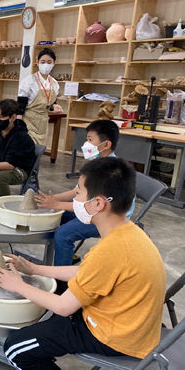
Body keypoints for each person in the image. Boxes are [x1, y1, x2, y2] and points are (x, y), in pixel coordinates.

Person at [0, 157, 165, 370]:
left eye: (79, 192)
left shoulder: (110, 251)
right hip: (130, 322)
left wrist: (19, 285)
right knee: (43, 320)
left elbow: (64, 307)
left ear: (98, 203)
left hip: (115, 335)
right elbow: (85, 272)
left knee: (16, 348)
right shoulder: (127, 233)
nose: (75, 198)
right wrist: (35, 269)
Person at [35, 120, 135, 279]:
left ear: (106, 144)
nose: (86, 144)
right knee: (57, 215)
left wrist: (57, 204)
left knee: (63, 234)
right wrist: (52, 199)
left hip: (109, 217)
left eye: (90, 139)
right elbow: (77, 192)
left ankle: (60, 280)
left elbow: (92, 206)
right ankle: (66, 255)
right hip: (96, 210)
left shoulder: (110, 171)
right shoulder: (97, 165)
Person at [18, 48, 64, 145]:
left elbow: (51, 102)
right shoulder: (29, 81)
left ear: (54, 63)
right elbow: (21, 104)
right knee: (28, 146)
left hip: (43, 121)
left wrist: (54, 106)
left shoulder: (54, 83)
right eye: (43, 62)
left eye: (49, 62)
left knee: (40, 147)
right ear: (37, 63)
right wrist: (18, 122)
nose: (46, 65)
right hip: (28, 120)